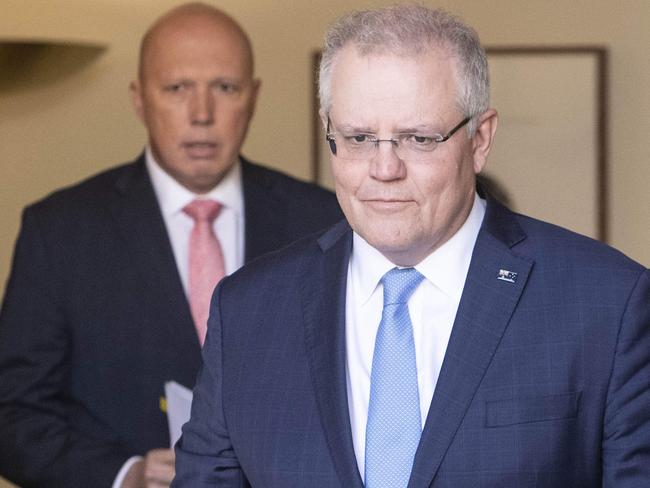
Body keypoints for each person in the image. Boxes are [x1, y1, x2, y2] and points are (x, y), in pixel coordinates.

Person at [173, 5, 650, 487]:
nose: (384, 169)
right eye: (358, 138)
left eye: (418, 138)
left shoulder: (607, 304)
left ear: (480, 139)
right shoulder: (248, 312)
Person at [0, 3, 342, 487]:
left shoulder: (324, 222)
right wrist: (124, 475)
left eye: (225, 88)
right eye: (177, 88)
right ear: (139, 99)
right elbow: (11, 412)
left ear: (254, 97)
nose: (202, 114)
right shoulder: (58, 231)